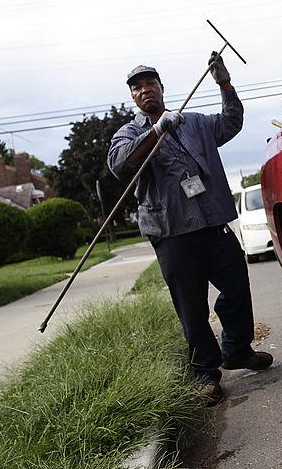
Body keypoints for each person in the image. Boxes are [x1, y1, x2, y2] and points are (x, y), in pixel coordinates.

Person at [107, 54, 273, 404]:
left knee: (237, 289)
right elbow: (121, 164)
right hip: (172, 234)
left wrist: (224, 84)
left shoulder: (194, 122)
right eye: (137, 88)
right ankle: (205, 374)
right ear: (133, 98)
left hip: (214, 225)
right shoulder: (128, 133)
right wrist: (157, 130)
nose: (144, 91)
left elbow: (231, 123)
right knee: (191, 306)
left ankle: (238, 351)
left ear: (162, 88)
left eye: (150, 84)